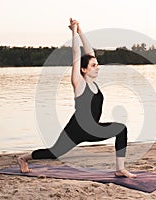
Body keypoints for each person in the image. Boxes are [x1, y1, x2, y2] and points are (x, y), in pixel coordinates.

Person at [17, 18, 137, 178]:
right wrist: (73, 32)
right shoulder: (79, 83)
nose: (97, 67)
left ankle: (119, 168)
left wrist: (80, 30)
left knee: (121, 129)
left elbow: (89, 52)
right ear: (83, 69)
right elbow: (76, 54)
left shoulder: (93, 82)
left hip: (94, 128)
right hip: (76, 130)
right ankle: (23, 158)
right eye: (93, 65)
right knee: (54, 153)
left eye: (97, 64)